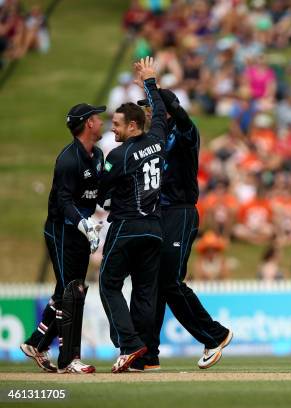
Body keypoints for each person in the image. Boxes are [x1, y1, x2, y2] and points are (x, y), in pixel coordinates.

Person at [131, 74, 232, 371]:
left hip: (181, 212)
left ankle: (215, 335)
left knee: (170, 281)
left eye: (151, 107)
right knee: (156, 284)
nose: (148, 112)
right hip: (160, 214)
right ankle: (148, 355)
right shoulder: (157, 137)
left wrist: (154, 87)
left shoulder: (187, 132)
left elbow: (183, 116)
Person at [20, 103, 105, 374]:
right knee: (73, 292)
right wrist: (83, 223)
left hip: (80, 230)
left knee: (66, 291)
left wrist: (103, 213)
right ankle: (69, 360)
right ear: (88, 124)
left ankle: (36, 343)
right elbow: (64, 200)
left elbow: (97, 193)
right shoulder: (69, 159)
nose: (102, 122)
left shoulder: (98, 154)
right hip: (61, 230)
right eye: (97, 118)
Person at [97, 57, 167, 373]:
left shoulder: (119, 155)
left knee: (108, 284)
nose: (113, 128)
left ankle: (129, 345)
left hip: (126, 226)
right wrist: (150, 82)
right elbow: (162, 113)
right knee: (144, 292)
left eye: (117, 124)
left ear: (133, 126)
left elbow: (99, 189)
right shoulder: (157, 140)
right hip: (154, 229)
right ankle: (148, 356)